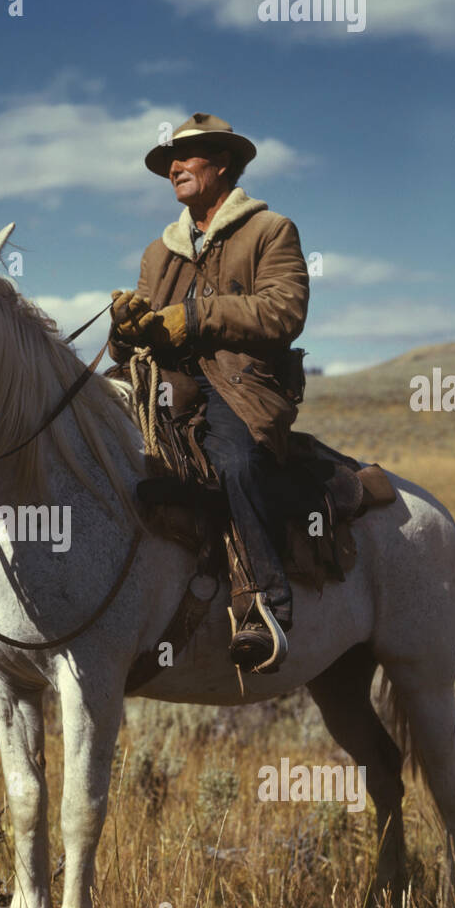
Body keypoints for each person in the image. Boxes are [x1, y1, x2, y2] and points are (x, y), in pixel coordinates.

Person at [110, 112, 310, 672]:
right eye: (169, 161)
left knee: (237, 462)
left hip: (240, 383)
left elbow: (284, 311)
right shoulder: (159, 251)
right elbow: (142, 334)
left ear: (222, 163)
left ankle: (262, 604)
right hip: (166, 382)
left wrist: (196, 317)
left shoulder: (270, 230)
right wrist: (126, 329)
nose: (174, 167)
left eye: (186, 157)